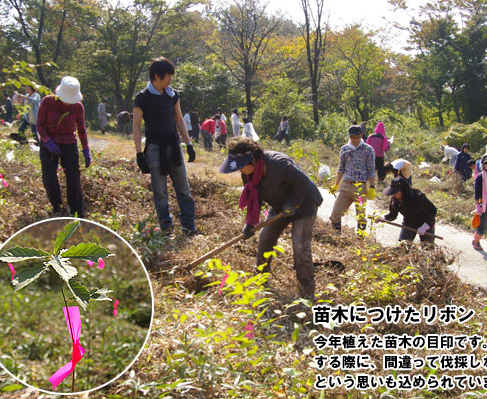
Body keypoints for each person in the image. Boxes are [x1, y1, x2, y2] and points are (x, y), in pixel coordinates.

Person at [219, 136, 323, 300]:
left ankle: (307, 289)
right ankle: (260, 278)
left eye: (241, 166)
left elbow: (302, 182)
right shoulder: (248, 174)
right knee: (265, 239)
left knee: (300, 245)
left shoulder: (278, 163)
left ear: (253, 159)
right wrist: (250, 223)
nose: (239, 170)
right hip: (280, 206)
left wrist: (293, 203)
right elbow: (255, 197)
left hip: (305, 203)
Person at [133, 57, 197, 235]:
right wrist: (139, 153)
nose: (170, 79)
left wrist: (189, 144)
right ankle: (166, 227)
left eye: (171, 75)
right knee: (160, 192)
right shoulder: (142, 97)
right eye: (167, 76)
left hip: (174, 147)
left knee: (183, 188)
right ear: (156, 76)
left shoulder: (172, 95)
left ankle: (188, 225)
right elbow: (136, 126)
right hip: (154, 148)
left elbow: (179, 120)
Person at [36, 76, 91, 217]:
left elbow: (81, 128)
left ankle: (76, 211)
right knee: (49, 177)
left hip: (69, 144)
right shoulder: (47, 102)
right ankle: (58, 208)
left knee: (73, 178)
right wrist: (48, 142)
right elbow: (39, 125)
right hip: (49, 144)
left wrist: (86, 149)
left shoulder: (78, 107)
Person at [328, 127, 376, 236]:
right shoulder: (344, 149)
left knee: (361, 217)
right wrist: (336, 185)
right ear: (350, 137)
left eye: (358, 137)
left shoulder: (368, 149)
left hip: (360, 188)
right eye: (353, 138)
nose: (356, 140)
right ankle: (337, 238)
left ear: (361, 135)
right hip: (346, 187)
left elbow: (371, 170)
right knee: (335, 215)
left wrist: (372, 187)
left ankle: (360, 240)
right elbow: (341, 169)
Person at [383, 176, 437, 244]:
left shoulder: (418, 197)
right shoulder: (395, 200)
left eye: (396, 192)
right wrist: (384, 218)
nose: (394, 195)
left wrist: (425, 226)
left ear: (402, 190)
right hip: (409, 223)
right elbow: (393, 215)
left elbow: (433, 210)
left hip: (425, 222)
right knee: (402, 247)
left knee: (428, 248)